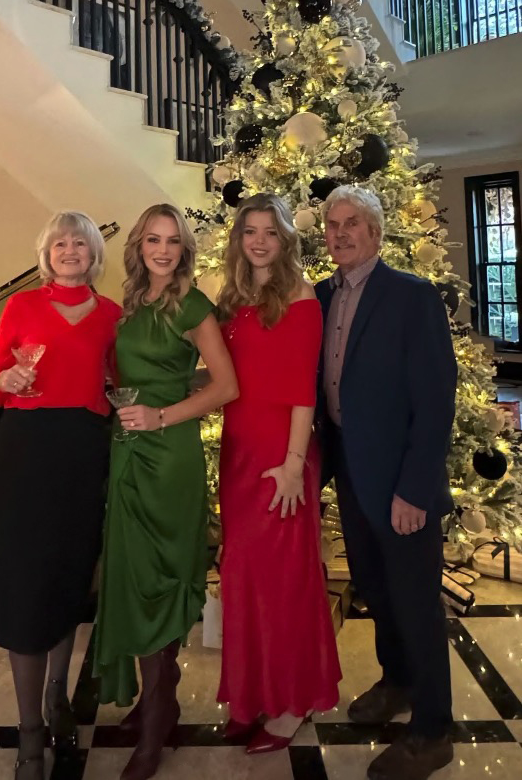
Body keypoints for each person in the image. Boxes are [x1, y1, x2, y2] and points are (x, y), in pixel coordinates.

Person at [315, 186, 457, 780]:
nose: (342, 233)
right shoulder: (320, 296)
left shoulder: (411, 295)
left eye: (353, 224)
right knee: (374, 585)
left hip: (401, 478)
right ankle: (396, 681)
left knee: (417, 601)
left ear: (375, 233)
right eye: (333, 225)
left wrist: (414, 491)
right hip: (350, 467)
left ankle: (432, 730)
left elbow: (436, 400)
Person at [0, 211, 121, 780]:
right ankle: (29, 732)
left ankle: (59, 696)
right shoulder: (23, 307)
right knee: (27, 582)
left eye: (79, 243)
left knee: (69, 573)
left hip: (84, 453)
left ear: (93, 255)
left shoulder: (112, 315)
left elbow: (116, 383)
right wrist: (4, 381)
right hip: (28, 453)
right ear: (47, 253)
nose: (69, 250)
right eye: (60, 243)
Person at [94, 203, 238, 780]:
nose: (161, 249)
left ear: (184, 249)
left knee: (161, 577)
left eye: (172, 241)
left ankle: (156, 721)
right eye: (152, 239)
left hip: (169, 455)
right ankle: (162, 698)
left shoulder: (195, 304)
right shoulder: (128, 305)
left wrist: (163, 416)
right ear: (138, 246)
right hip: (127, 453)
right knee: (132, 575)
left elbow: (226, 385)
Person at [215, 193, 341, 754]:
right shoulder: (233, 297)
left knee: (286, 580)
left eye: (270, 231)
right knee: (244, 576)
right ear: (239, 239)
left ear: (285, 238)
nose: (260, 240)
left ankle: (294, 700)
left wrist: (293, 466)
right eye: (250, 231)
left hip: (281, 456)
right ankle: (254, 695)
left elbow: (302, 389)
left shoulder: (301, 296)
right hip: (238, 454)